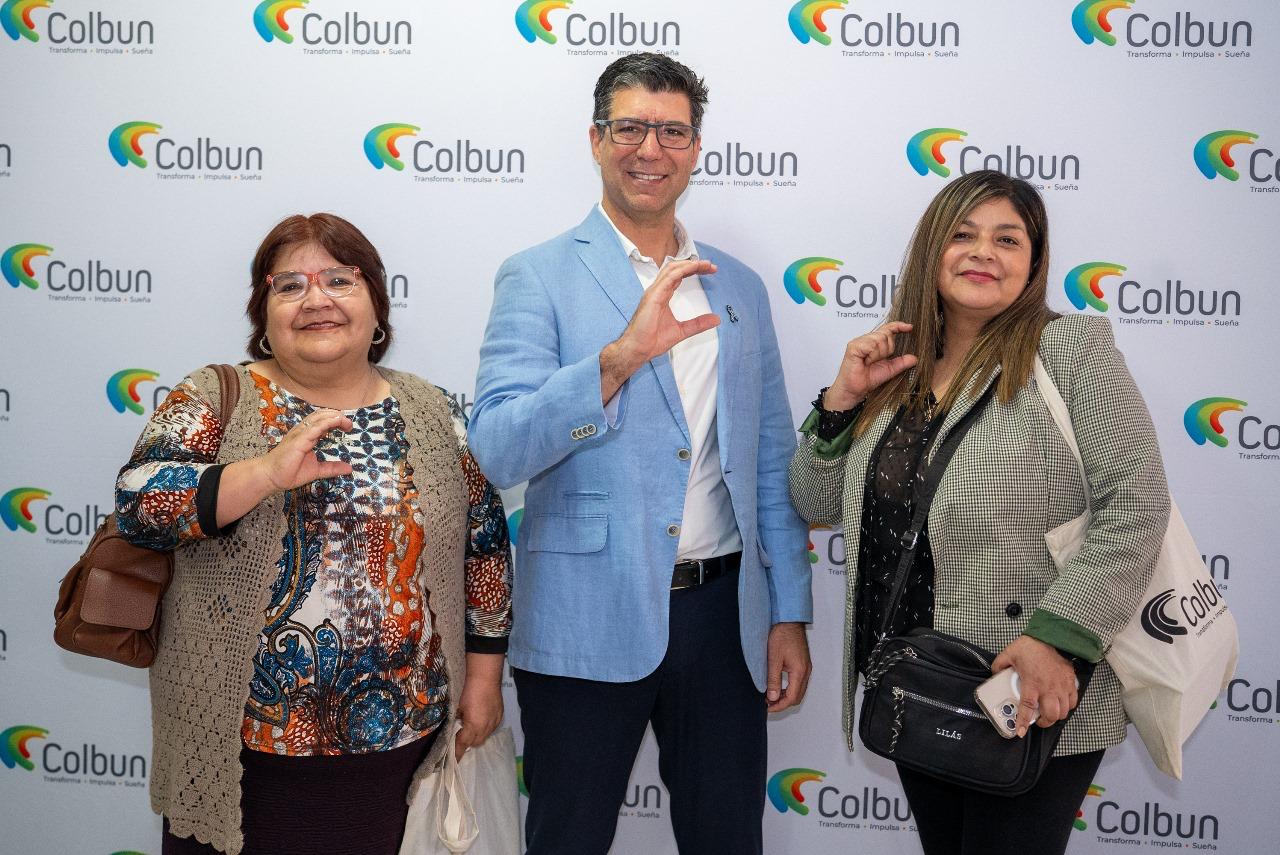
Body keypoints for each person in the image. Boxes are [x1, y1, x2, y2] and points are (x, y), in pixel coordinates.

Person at [468, 53, 812, 855]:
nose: (649, 149)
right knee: (568, 837)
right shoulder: (538, 276)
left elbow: (769, 458)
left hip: (723, 619)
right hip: (584, 613)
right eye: (629, 128)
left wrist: (788, 608)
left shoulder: (740, 290)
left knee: (728, 838)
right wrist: (616, 360)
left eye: (671, 131)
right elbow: (495, 446)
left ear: (695, 148)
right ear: (595, 139)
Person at [788, 170, 1169, 855]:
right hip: (915, 684)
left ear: (1033, 259)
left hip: (1023, 685)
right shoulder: (896, 367)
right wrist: (841, 400)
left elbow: (1136, 505)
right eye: (962, 234)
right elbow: (813, 501)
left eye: (1006, 238)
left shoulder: (1071, 350)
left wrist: (1059, 639)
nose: (982, 252)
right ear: (933, 249)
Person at [114, 213, 512, 855]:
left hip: (397, 748)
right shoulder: (217, 397)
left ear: (377, 307)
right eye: (289, 286)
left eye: (339, 280)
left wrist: (485, 680)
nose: (316, 300)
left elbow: (485, 545)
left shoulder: (434, 411)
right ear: (263, 315)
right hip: (237, 746)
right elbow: (140, 506)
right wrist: (264, 474)